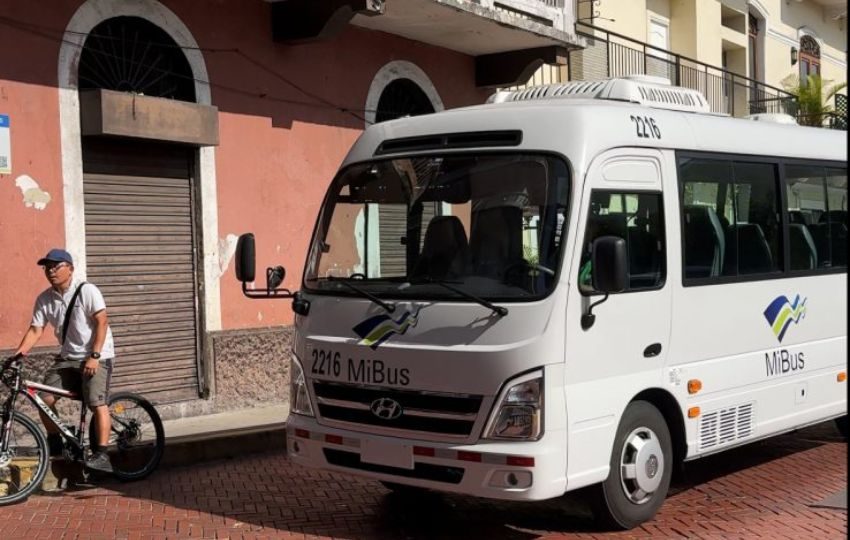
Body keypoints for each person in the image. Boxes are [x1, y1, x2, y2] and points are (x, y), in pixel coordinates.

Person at [12, 248, 114, 473]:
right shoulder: (45, 298)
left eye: (56, 266)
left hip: (96, 355)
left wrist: (95, 356)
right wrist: (17, 355)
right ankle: (56, 440)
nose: (50, 271)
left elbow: (102, 322)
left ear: (70, 268)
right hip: (68, 357)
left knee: (97, 403)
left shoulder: (87, 290)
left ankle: (103, 454)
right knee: (44, 397)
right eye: (47, 267)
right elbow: (35, 330)